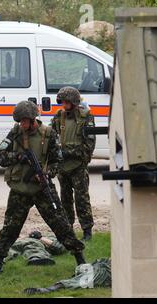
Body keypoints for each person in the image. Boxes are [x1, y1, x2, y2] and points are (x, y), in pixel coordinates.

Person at [0, 100, 86, 274]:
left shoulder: (49, 134)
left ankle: (80, 258)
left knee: (61, 224)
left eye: (24, 121)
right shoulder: (15, 133)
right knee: (10, 227)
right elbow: (1, 157)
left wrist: (47, 173)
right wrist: (19, 157)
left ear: (33, 118)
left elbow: (58, 161)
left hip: (43, 189)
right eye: (19, 121)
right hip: (20, 189)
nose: (21, 124)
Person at [51, 87, 96, 241]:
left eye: (66, 101)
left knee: (81, 199)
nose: (64, 104)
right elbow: (51, 136)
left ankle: (87, 231)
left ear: (74, 102)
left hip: (78, 166)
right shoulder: (59, 116)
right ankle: (67, 229)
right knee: (65, 200)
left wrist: (68, 153)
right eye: (62, 101)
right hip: (63, 167)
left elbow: (88, 145)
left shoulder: (86, 117)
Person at [24, 258, 111, 295]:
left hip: (107, 270)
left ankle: (52, 288)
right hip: (103, 263)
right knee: (81, 269)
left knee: (83, 280)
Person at [2, 231, 66, 266]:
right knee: (10, 247)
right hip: (21, 241)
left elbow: (59, 247)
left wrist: (39, 237)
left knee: (32, 246)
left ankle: (37, 258)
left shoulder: (56, 238)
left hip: (35, 242)